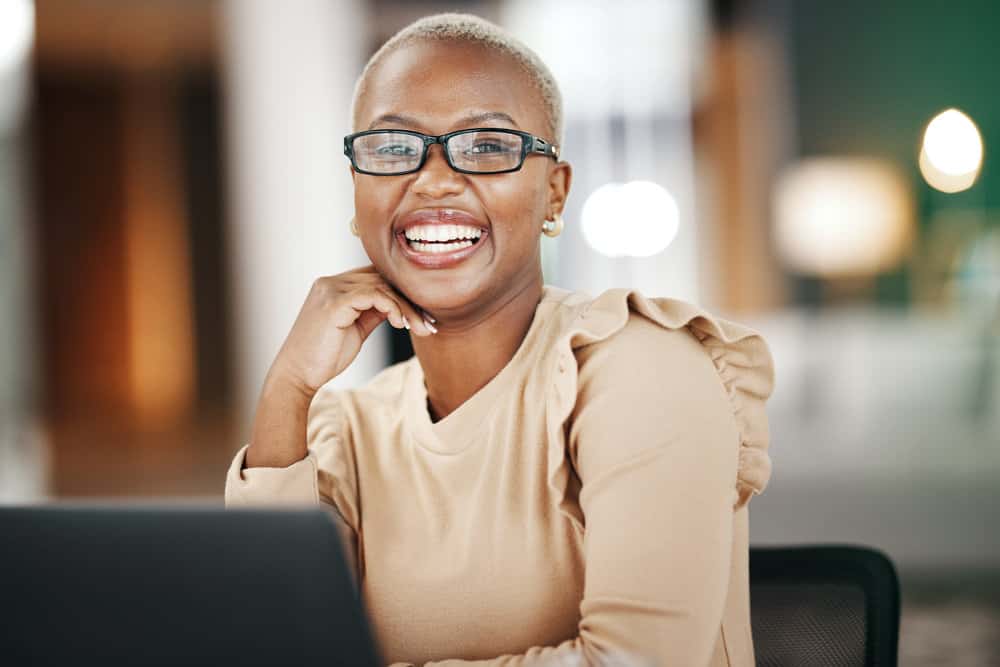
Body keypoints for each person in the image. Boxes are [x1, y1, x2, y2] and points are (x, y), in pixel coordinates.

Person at [225, 12, 774, 667]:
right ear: (357, 190)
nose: (432, 179)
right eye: (394, 149)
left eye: (487, 146)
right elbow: (278, 638)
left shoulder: (638, 370)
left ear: (554, 194)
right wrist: (288, 385)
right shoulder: (345, 429)